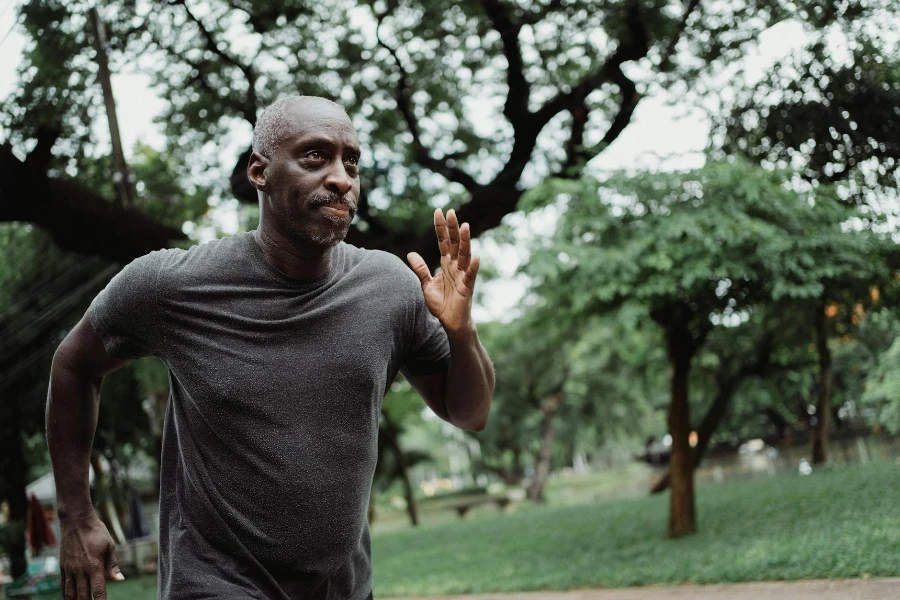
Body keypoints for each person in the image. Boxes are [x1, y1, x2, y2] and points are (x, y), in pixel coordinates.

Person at [46, 95, 495, 600]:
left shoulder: (389, 287)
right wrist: (77, 515)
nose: (341, 178)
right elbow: (73, 365)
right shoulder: (171, 286)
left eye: (351, 161)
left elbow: (469, 413)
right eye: (314, 156)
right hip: (215, 584)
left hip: (344, 588)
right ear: (259, 172)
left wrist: (462, 332)